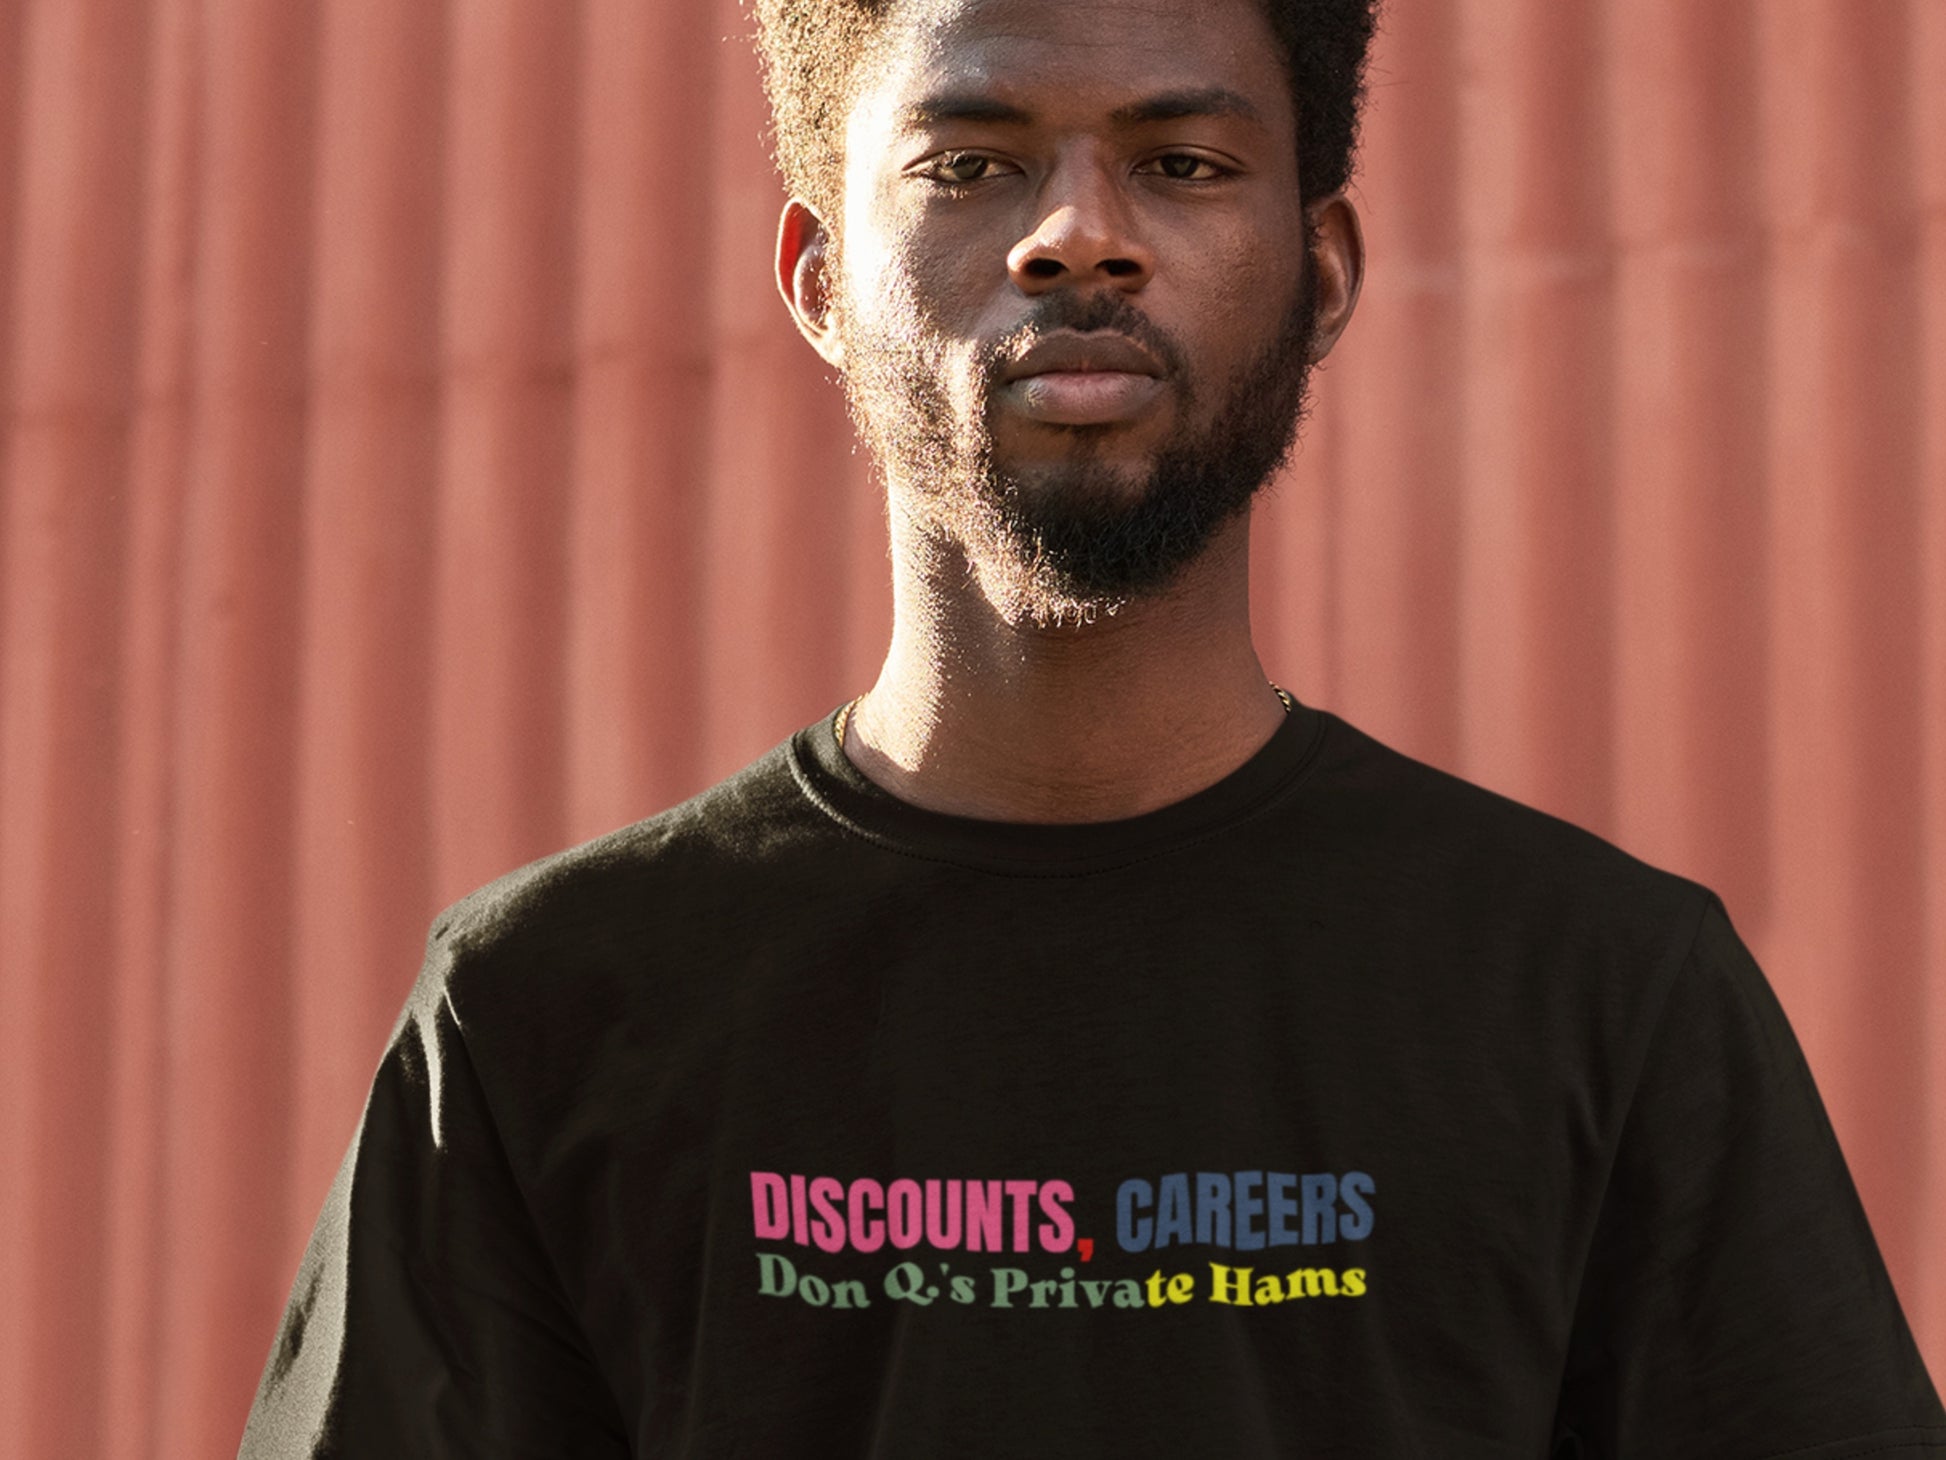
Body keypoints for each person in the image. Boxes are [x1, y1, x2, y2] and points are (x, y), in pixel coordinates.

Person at [241, 0, 1946, 1454]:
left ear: (1321, 270)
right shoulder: (545, 1006)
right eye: (970, 166)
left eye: (1183, 163)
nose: (1077, 233)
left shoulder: (1599, 994)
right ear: (821, 276)